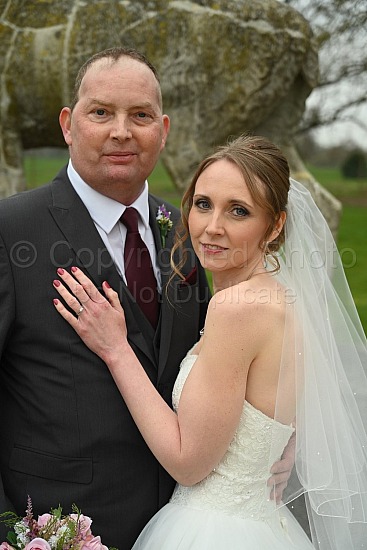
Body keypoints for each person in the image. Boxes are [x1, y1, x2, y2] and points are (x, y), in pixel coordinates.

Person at [0, 49, 290, 549]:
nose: (121, 131)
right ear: (68, 124)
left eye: (140, 115)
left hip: (184, 525)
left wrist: (282, 444)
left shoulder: (194, 235)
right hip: (55, 526)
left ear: (164, 129)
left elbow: (243, 364)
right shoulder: (10, 231)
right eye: (101, 112)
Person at [53, 134, 367, 549]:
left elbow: (188, 463)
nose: (212, 227)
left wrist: (116, 349)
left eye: (239, 211)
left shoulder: (237, 310)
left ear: (275, 225)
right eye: (203, 204)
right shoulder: (282, 298)